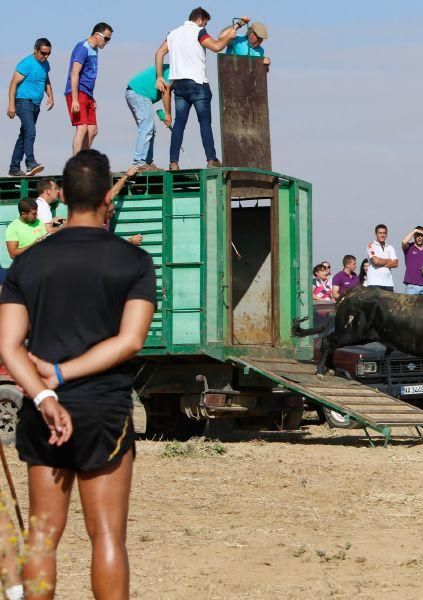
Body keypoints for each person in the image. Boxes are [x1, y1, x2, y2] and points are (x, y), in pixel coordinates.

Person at [0, 149, 157, 600]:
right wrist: (63, 375)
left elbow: (9, 344)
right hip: (104, 409)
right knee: (107, 536)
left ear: (63, 196)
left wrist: (45, 394)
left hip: (41, 410)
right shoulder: (132, 261)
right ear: (108, 195)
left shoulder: (28, 262)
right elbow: (130, 341)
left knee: (42, 536)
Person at [155, 8, 247, 170]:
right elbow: (217, 47)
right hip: (197, 84)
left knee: (179, 124)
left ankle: (173, 162)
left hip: (179, 85)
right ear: (199, 19)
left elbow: (159, 53)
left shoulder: (173, 34)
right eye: (205, 22)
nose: (205, 25)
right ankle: (211, 159)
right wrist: (228, 39)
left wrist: (160, 76)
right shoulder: (199, 32)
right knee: (204, 122)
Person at [7, 38, 53, 177]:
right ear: (36, 50)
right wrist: (11, 105)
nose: (45, 56)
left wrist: (50, 96)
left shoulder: (45, 64)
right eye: (43, 53)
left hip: (35, 104)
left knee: (24, 135)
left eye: (48, 54)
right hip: (23, 102)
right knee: (31, 131)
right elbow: (13, 84)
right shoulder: (26, 63)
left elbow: (46, 79)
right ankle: (30, 163)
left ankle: (14, 168)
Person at [65, 23, 113, 156]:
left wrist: (92, 97)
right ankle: (76, 163)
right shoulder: (83, 48)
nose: (107, 42)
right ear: (97, 35)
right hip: (77, 93)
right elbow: (75, 73)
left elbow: (88, 76)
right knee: (82, 128)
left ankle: (84, 158)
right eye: (106, 39)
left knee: (92, 130)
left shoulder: (94, 50)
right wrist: (74, 100)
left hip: (87, 94)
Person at [125, 64, 172, 171]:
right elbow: (166, 92)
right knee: (146, 127)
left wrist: (168, 113)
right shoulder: (173, 71)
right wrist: (168, 114)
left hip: (137, 93)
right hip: (139, 93)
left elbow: (168, 94)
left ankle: (147, 162)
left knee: (150, 128)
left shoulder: (173, 71)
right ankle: (139, 163)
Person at [401, 226, 423, 295]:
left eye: (421, 235)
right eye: (417, 235)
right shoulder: (409, 247)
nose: (419, 237)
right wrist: (414, 231)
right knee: (410, 306)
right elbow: (404, 242)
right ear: (414, 236)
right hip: (411, 287)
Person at [365, 224, 398, 291]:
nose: (382, 235)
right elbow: (376, 261)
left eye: (384, 233)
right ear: (376, 234)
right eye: (380, 233)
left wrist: (382, 262)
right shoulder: (371, 245)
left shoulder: (390, 247)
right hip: (374, 283)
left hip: (388, 284)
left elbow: (395, 263)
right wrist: (389, 260)